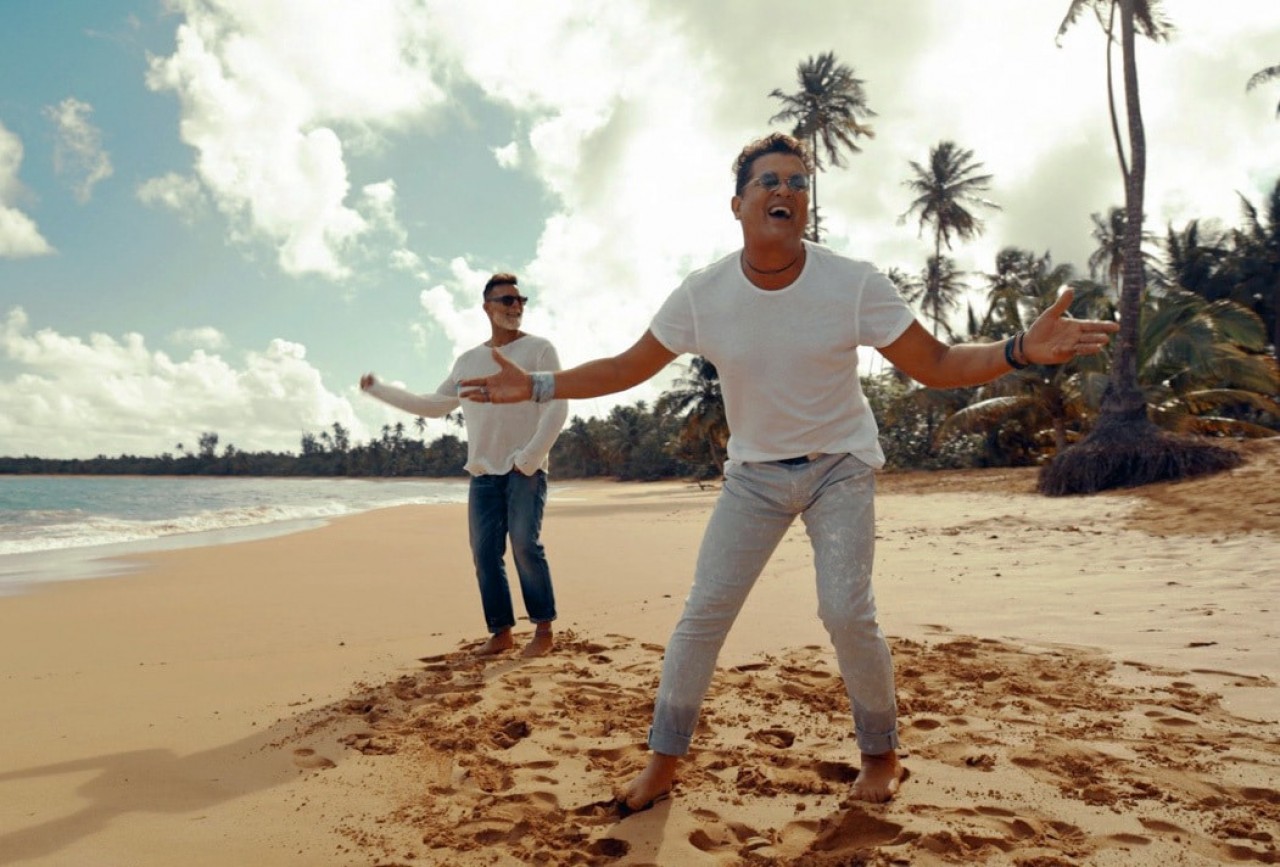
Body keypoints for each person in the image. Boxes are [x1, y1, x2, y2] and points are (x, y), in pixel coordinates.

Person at [457, 134, 1119, 806]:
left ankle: (881, 754)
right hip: (754, 476)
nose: (786, 191)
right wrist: (537, 386)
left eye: (799, 183)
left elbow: (937, 363)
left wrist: (1018, 348)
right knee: (704, 613)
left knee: (846, 611)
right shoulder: (704, 294)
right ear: (737, 204)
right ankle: (663, 760)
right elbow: (629, 367)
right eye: (769, 181)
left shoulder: (852, 282)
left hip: (841, 466)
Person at [360, 273, 569, 658]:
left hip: (524, 470)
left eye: (520, 300)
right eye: (507, 300)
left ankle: (543, 630)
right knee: (485, 555)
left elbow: (558, 405)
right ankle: (501, 633)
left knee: (525, 545)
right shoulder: (467, 361)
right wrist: (379, 390)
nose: (516, 306)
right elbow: (431, 406)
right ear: (487, 307)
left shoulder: (540, 349)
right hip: (483, 475)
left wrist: (529, 459)